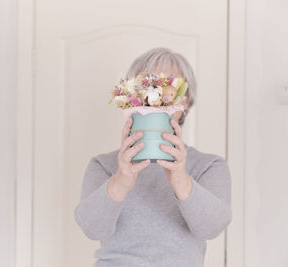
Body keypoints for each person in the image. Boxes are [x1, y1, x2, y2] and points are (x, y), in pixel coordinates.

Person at [74, 47, 232, 267]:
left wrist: (180, 179)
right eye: (146, 86)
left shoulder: (209, 166)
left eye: (168, 87)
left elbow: (212, 227)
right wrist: (120, 181)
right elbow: (92, 229)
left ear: (185, 102)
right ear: (130, 99)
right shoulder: (104, 165)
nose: (155, 97)